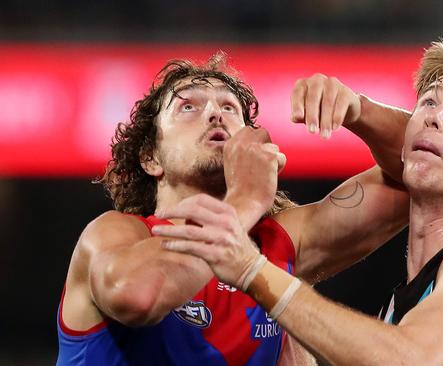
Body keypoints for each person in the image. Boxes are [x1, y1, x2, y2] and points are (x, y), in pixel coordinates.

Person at [159, 31, 443, 365]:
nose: (434, 115)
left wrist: (253, 272)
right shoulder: (402, 312)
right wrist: (356, 109)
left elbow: (411, 361)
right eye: (428, 102)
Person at [56, 53, 411, 365]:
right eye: (188, 107)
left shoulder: (278, 243)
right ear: (151, 158)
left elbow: (420, 176)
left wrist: (361, 111)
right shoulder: (113, 234)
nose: (214, 114)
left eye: (229, 108)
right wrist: (246, 199)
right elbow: (139, 297)